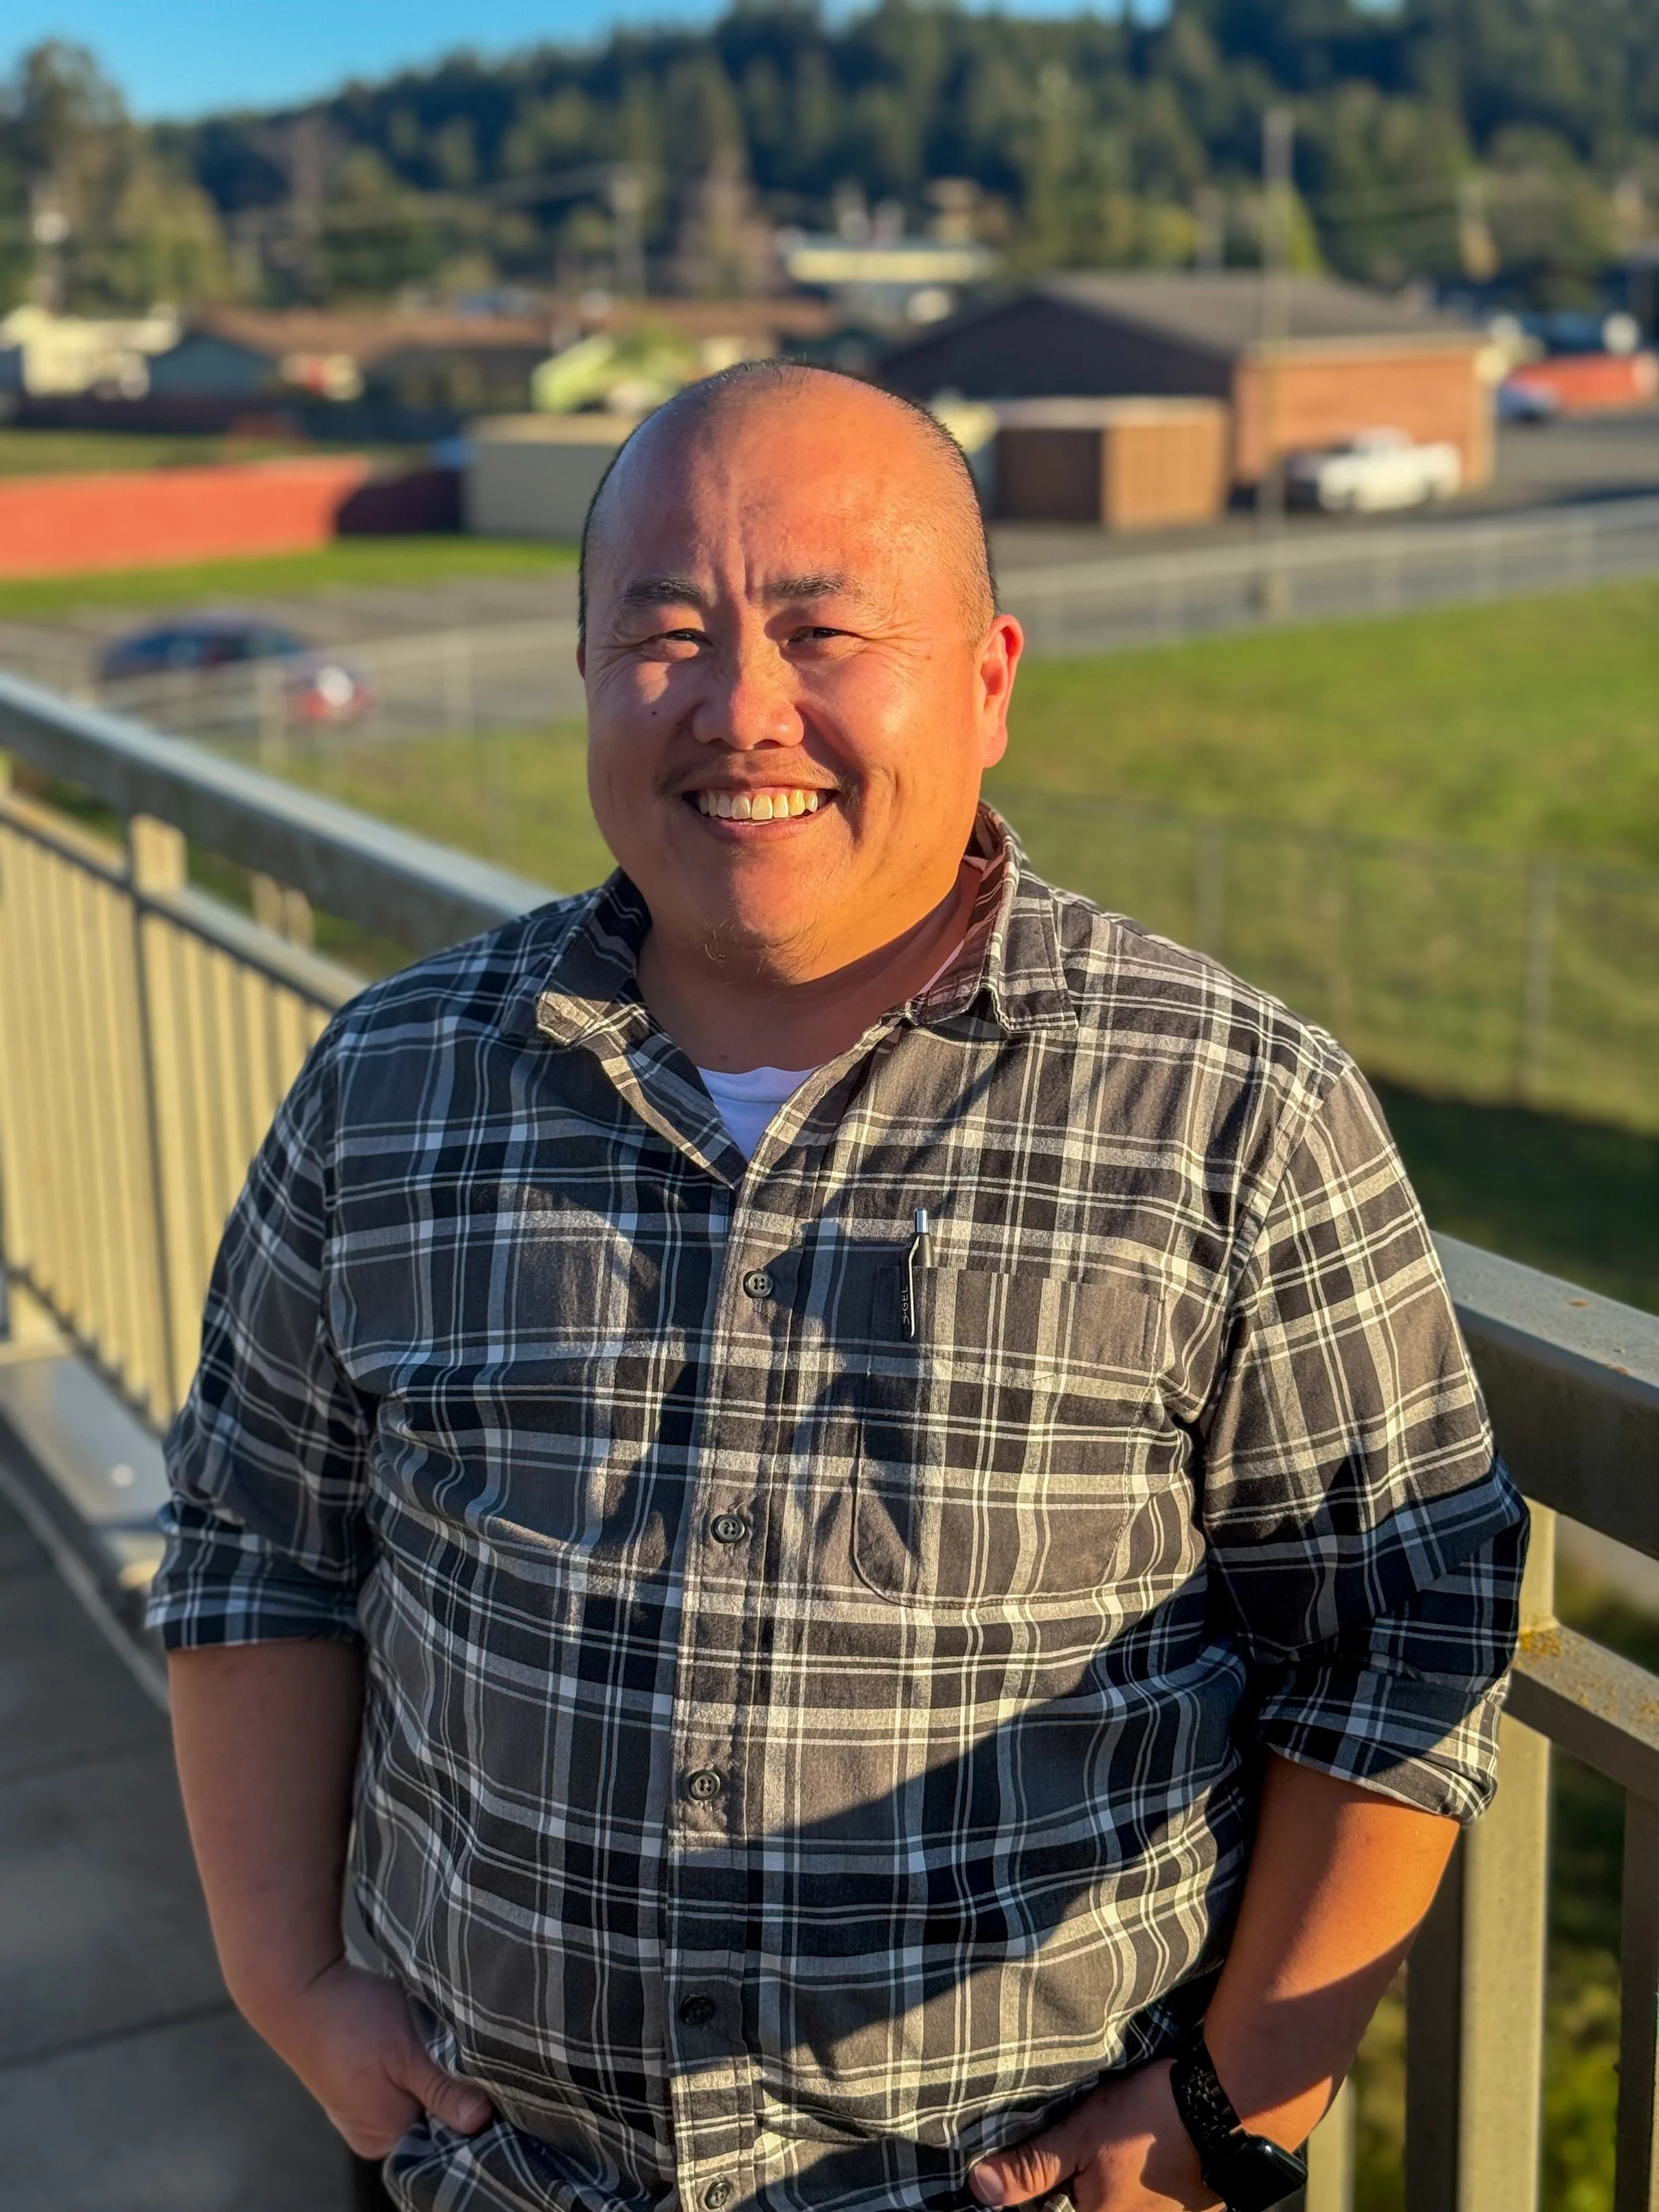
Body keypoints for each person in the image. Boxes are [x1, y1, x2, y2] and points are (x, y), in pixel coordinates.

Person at [151, 363, 1525, 2212]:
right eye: (667, 631)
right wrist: (290, 1985)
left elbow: (1402, 1631)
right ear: (584, 670)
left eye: (819, 628)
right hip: (486, 2176)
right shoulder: (392, 1080)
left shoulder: (1230, 1109)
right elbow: (259, 1544)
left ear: (987, 680)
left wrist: (1237, 2097)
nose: (741, 709)